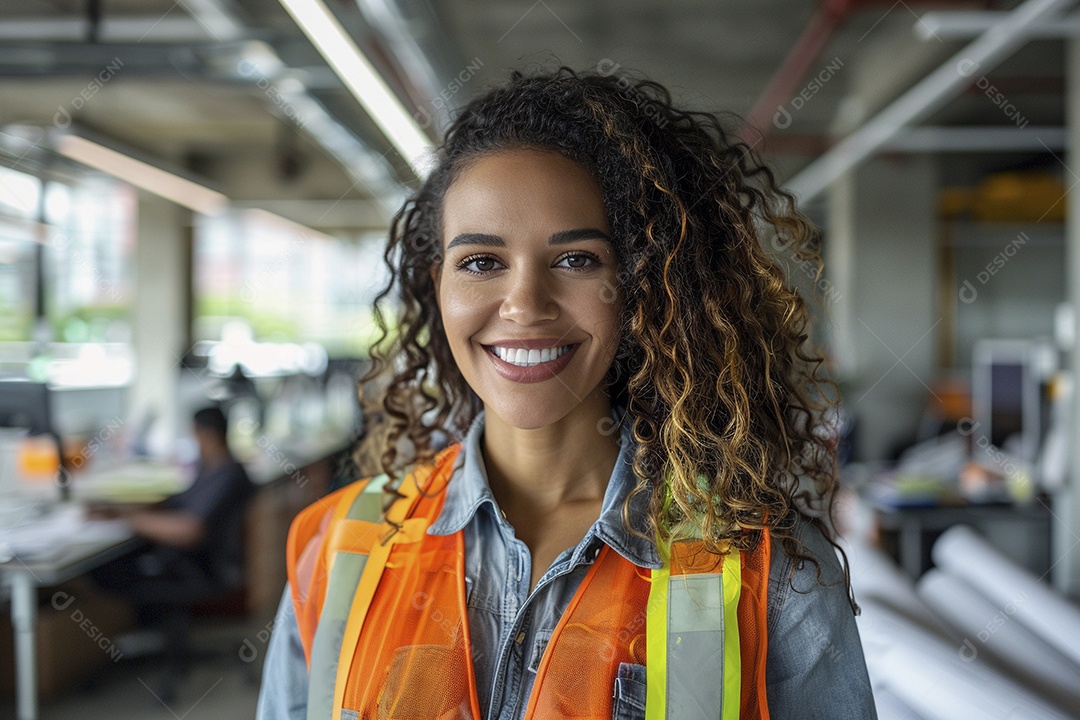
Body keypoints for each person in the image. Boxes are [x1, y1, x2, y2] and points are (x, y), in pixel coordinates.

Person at [257, 67, 876, 719]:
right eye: (481, 262)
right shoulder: (336, 545)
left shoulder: (768, 571)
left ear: (642, 286)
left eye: (577, 259)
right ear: (436, 283)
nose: (524, 305)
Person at [90, 406, 254, 667]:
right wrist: (121, 509)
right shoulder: (209, 467)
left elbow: (189, 531)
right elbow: (177, 502)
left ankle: (146, 643)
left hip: (197, 569)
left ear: (205, 435)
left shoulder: (229, 475)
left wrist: (130, 520)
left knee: (108, 568)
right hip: (189, 561)